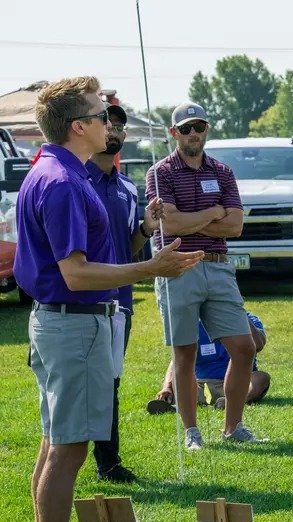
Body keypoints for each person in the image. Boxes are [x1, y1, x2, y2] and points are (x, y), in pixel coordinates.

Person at [14, 76, 201, 522]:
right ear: (79, 127)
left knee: (55, 446)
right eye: (101, 114)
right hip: (74, 327)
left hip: (60, 325)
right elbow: (75, 274)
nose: (109, 122)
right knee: (67, 452)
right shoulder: (67, 183)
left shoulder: (51, 171)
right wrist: (151, 267)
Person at [146, 102, 259, 449]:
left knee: (244, 347)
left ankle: (233, 427)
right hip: (178, 266)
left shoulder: (223, 171)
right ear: (174, 133)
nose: (193, 133)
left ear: (206, 129)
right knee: (185, 352)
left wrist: (192, 219)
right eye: (186, 128)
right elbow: (171, 225)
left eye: (199, 126)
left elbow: (236, 225)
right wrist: (212, 212)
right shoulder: (160, 172)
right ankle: (192, 433)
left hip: (219, 265)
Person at [84, 104, 153, 483]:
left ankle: (108, 462)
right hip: (83, 300)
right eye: (106, 123)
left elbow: (131, 249)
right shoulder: (76, 180)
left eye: (120, 126)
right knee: (85, 383)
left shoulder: (128, 187)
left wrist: (146, 227)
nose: (113, 130)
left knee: (110, 380)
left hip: (120, 303)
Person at [151, 312, 270, 412]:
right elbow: (177, 358)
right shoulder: (193, 323)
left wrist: (239, 315)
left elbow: (258, 344)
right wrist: (166, 386)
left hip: (238, 383)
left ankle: (230, 401)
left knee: (261, 378)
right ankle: (171, 404)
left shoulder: (248, 318)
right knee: (181, 379)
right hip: (200, 385)